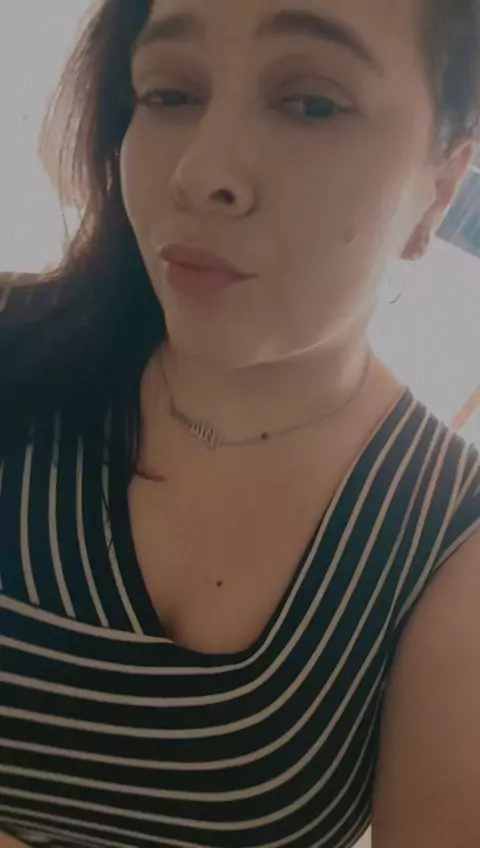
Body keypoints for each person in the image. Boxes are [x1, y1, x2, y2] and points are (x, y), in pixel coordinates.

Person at [1, 0, 480, 846]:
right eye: (170, 93)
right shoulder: (17, 349)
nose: (199, 172)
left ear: (439, 187)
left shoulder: (448, 537)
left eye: (312, 104)